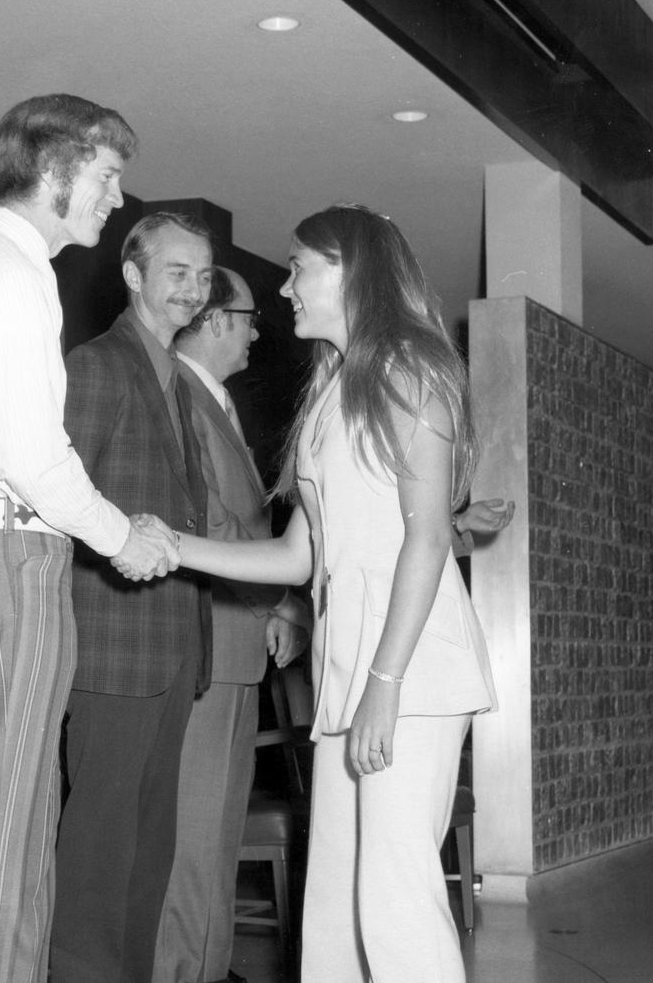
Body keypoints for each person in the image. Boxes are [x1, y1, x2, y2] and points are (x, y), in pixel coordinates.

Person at [175, 203, 497, 981]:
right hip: (350, 677)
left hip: (408, 675)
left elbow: (427, 538)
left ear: (353, 271)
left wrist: (384, 686)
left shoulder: (410, 370)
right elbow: (298, 556)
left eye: (298, 268)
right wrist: (175, 545)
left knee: (394, 906)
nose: (283, 287)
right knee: (333, 922)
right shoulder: (329, 393)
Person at [0, 94, 179, 983]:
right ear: (53, 171)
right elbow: (32, 455)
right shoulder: (15, 275)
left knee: (6, 831)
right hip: (13, 561)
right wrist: (118, 538)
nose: (115, 198)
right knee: (7, 843)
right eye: (105, 176)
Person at [50, 212, 215, 982]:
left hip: (174, 647)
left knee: (151, 847)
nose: (194, 288)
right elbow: (56, 507)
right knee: (98, 850)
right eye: (177, 271)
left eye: (204, 275)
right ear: (133, 275)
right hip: (112, 646)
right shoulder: (99, 364)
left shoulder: (176, 380)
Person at [153, 267, 309, 983]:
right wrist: (267, 600)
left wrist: (273, 605)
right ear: (214, 321)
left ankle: (206, 965)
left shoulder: (213, 398)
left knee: (215, 832)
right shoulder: (181, 395)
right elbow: (210, 524)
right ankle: (188, 970)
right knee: (195, 833)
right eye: (247, 317)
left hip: (235, 642)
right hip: (209, 643)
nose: (255, 330)